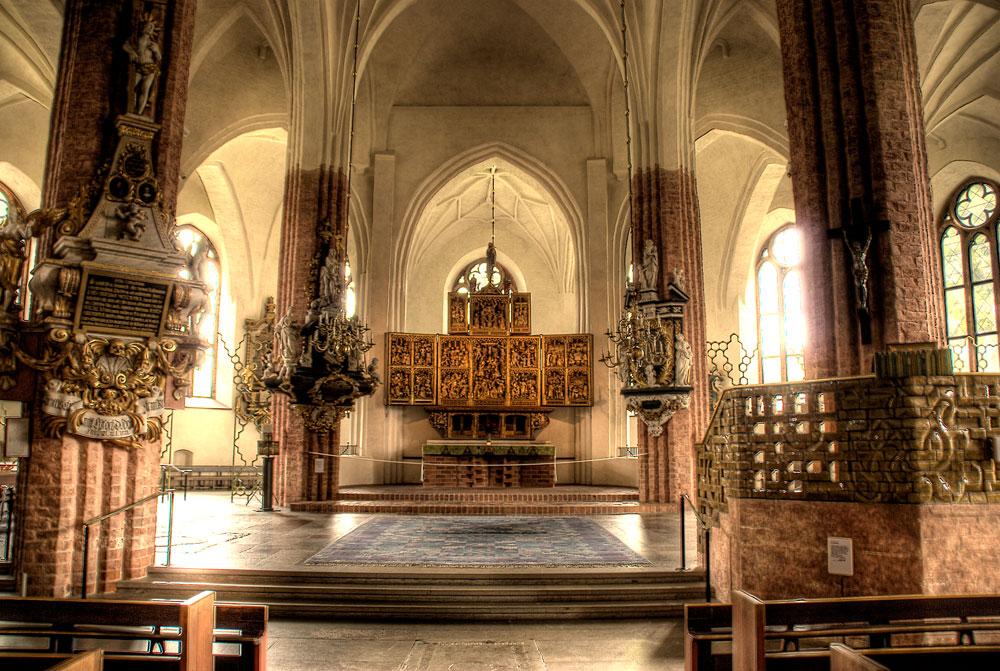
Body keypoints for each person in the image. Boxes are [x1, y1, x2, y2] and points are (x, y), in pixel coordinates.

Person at [123, 17, 162, 117]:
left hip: (150, 68)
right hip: (138, 67)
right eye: (148, 26)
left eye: (152, 28)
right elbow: (125, 46)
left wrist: (156, 50)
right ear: (142, 27)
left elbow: (159, 57)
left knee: (145, 90)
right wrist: (132, 52)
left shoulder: (153, 44)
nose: (150, 29)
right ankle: (132, 108)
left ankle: (139, 113)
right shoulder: (136, 39)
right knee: (130, 87)